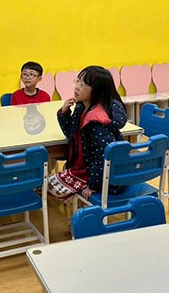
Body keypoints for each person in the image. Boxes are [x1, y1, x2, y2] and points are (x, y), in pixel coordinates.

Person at [47, 66, 127, 201]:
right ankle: (74, 200)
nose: (77, 87)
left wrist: (93, 185)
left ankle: (78, 202)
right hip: (84, 168)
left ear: (97, 92)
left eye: (83, 85)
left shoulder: (98, 120)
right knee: (45, 185)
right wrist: (64, 113)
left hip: (101, 178)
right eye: (77, 81)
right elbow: (71, 133)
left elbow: (103, 157)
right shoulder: (81, 107)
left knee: (46, 187)